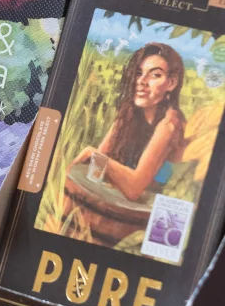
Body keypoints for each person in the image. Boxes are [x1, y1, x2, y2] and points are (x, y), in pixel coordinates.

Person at [70, 42, 186, 202]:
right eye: (138, 73)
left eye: (155, 75)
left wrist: (91, 154)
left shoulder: (170, 125)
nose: (142, 81)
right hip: (120, 205)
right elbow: (96, 170)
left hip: (150, 210)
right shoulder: (129, 114)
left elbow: (133, 190)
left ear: (171, 83)